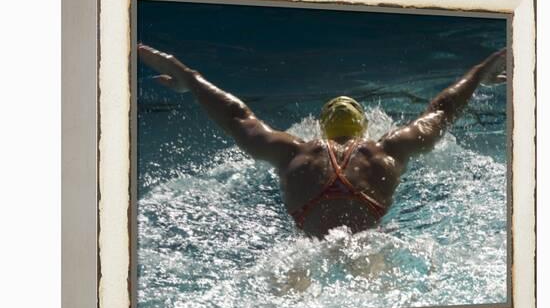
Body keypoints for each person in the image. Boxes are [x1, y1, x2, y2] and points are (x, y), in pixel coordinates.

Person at [138, 44, 506, 239]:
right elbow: (441, 111)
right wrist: (479, 73)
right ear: (363, 128)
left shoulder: (294, 152)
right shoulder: (386, 151)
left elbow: (238, 117)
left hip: (306, 251)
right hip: (369, 244)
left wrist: (192, 78)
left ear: (320, 128)